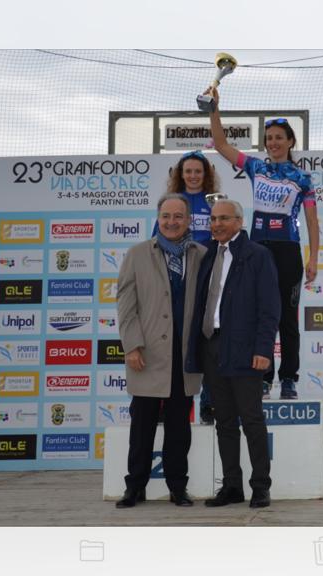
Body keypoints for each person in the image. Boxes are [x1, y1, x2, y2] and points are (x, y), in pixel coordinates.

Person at [206, 87, 319, 400]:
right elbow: (221, 145)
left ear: (290, 141)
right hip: (257, 251)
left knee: (288, 320)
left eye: (279, 137)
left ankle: (289, 378)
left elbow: (312, 221)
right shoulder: (257, 168)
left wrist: (314, 258)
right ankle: (264, 376)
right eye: (269, 138)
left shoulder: (302, 178)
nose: (273, 143)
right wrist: (214, 109)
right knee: (259, 315)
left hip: (288, 251)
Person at [186, 198, 280, 508]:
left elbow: (270, 308)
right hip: (212, 346)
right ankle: (232, 486)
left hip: (245, 349)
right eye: (213, 219)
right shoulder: (208, 255)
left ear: (239, 221)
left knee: (251, 419)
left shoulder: (257, 255)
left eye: (224, 218)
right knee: (224, 421)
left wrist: (263, 349)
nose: (217, 224)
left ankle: (261, 487)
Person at [115, 193, 207, 509]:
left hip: (185, 358)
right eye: (166, 216)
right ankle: (134, 488)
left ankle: (178, 488)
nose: (171, 222)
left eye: (178, 216)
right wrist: (132, 346)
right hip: (148, 355)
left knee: (179, 429)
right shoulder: (137, 254)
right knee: (142, 427)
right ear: (158, 218)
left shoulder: (202, 255)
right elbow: (126, 306)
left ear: (189, 220)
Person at [152, 150, 222, 424]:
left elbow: (225, 235)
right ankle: (165, 403)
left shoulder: (215, 201)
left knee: (207, 341)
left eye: (198, 171)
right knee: (173, 343)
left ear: (206, 175)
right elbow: (156, 240)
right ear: (180, 174)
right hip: (178, 280)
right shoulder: (173, 202)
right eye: (188, 171)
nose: (193, 176)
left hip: (207, 279)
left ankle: (209, 404)